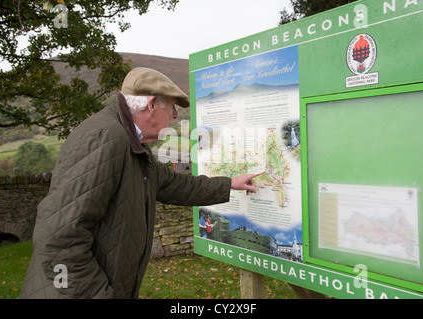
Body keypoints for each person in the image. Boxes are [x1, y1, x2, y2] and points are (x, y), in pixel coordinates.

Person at [20, 67, 261, 299]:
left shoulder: (133, 144)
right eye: (173, 107)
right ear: (152, 105)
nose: (176, 115)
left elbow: (175, 186)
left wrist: (230, 183)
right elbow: (57, 237)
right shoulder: (105, 138)